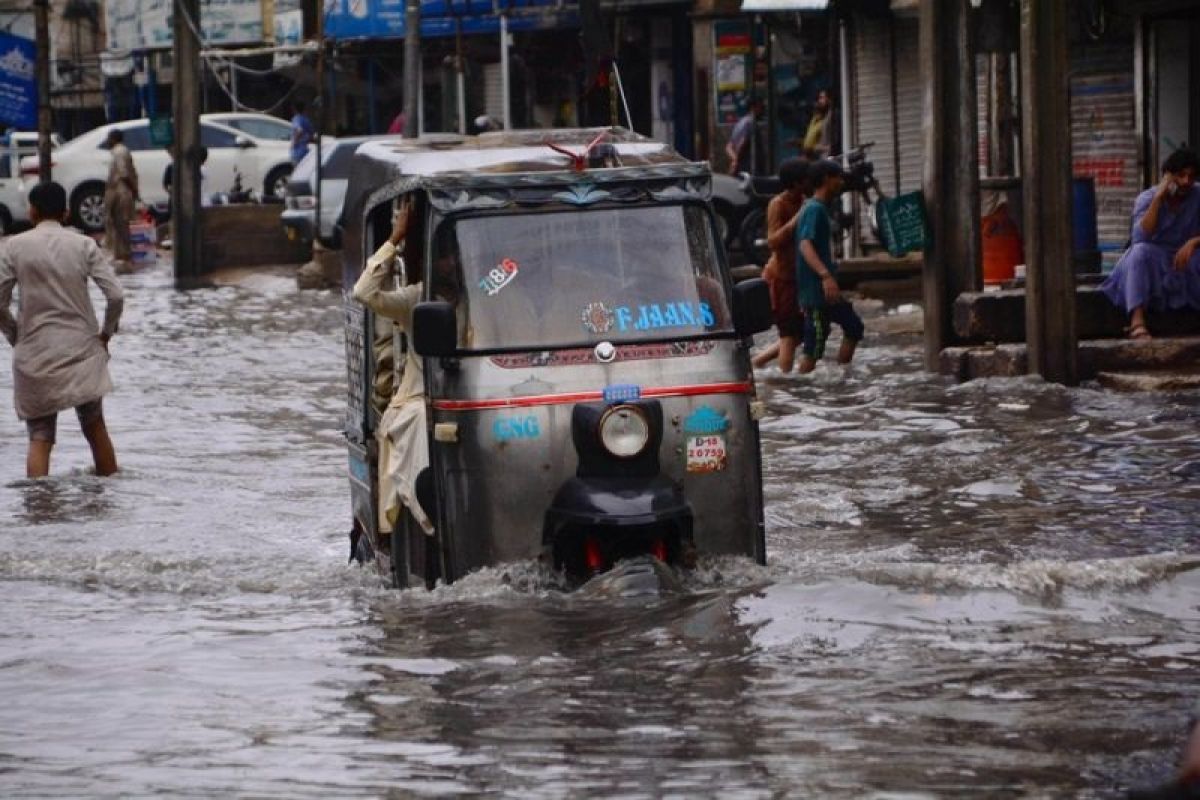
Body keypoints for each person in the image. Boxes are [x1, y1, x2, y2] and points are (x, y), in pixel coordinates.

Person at [0, 182, 124, 478]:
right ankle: (107, 500)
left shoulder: (14, 247)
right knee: (95, 427)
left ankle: (40, 512)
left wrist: (15, 335)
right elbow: (116, 296)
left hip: (35, 354)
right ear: (67, 213)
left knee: (40, 437)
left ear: (32, 211)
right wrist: (104, 336)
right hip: (81, 351)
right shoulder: (83, 245)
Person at [1100, 147, 1200, 339]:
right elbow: (1140, 237)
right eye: (1181, 176)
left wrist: (1194, 242)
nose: (1186, 181)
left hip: (1185, 257)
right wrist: (1158, 199)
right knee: (1139, 253)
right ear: (1168, 177)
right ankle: (1137, 321)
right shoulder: (1147, 198)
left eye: (1191, 176)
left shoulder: (1197, 194)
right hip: (1155, 257)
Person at [795, 158, 863, 374]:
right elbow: (805, 245)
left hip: (825, 291)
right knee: (814, 345)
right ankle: (797, 387)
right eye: (838, 178)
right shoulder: (814, 209)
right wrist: (825, 276)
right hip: (816, 292)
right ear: (826, 179)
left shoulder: (821, 208)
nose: (842, 182)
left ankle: (842, 377)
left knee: (854, 327)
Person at [752, 157, 811, 372]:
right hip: (781, 279)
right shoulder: (778, 204)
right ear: (796, 183)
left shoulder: (806, 200)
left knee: (802, 333)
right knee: (788, 333)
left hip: (799, 278)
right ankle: (785, 384)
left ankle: (758, 361)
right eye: (806, 179)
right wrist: (798, 218)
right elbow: (773, 241)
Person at [103, 128, 139, 269]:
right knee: (116, 222)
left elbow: (124, 174)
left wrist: (134, 190)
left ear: (113, 138)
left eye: (109, 138)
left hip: (121, 190)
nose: (107, 142)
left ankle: (125, 255)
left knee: (122, 223)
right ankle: (120, 254)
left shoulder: (119, 152)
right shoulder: (119, 152)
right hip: (118, 190)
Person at [725, 99, 764, 176]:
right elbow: (742, 143)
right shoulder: (751, 122)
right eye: (760, 107)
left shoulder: (739, 123)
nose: (762, 110)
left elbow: (728, 147)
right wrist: (736, 161)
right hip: (749, 170)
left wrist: (734, 159)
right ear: (753, 108)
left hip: (741, 170)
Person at [802, 89, 837, 158]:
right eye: (819, 98)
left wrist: (819, 148)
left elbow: (833, 141)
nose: (819, 101)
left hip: (826, 156)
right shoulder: (817, 118)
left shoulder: (832, 117)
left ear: (829, 100)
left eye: (822, 98)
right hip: (816, 156)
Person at [290, 100, 315, 165]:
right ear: (304, 109)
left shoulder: (296, 118)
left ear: (294, 110)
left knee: (297, 172)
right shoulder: (306, 120)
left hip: (297, 151)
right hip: (305, 150)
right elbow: (311, 134)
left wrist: (294, 142)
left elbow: (299, 130)